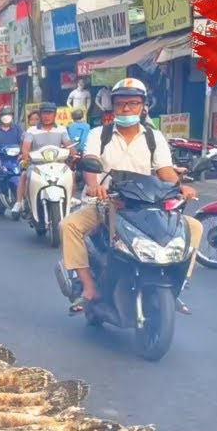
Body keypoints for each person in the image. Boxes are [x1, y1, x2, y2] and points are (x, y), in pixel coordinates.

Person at [58, 77, 201, 315]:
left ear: (143, 106)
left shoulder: (154, 137)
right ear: (112, 107)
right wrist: (94, 187)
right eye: (121, 103)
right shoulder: (98, 134)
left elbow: (165, 169)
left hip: (146, 204)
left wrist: (181, 187)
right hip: (108, 202)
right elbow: (90, 163)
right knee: (68, 225)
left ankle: (178, 284)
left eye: (133, 103)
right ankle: (88, 286)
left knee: (193, 228)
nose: (127, 108)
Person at [13, 102, 73, 216]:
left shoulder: (61, 129)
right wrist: (25, 155)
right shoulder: (32, 130)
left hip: (58, 165)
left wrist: (74, 152)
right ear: (41, 114)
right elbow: (26, 147)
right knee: (26, 175)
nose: (47, 116)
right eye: (44, 113)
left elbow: (68, 145)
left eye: (50, 113)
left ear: (55, 115)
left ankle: (71, 198)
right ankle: (24, 203)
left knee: (71, 173)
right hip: (37, 165)